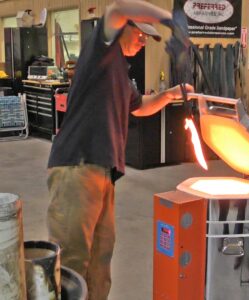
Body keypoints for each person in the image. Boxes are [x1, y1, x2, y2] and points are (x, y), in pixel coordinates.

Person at [46, 1, 194, 299]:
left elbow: (138, 108)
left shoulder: (121, 75)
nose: (143, 41)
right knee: (73, 264)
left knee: (100, 263)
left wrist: (169, 95)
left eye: (148, 37)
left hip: (103, 172)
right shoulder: (103, 50)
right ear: (122, 28)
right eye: (140, 33)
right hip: (78, 165)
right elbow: (117, 8)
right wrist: (168, 18)